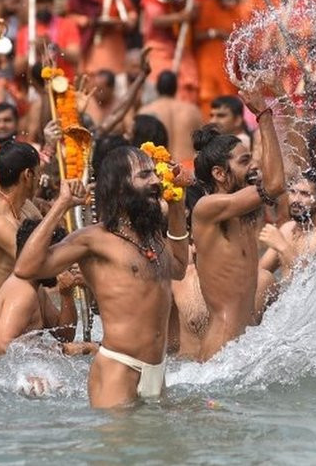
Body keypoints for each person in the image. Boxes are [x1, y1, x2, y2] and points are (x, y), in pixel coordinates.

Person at [14, 154, 189, 408]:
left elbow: (180, 268)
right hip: (117, 371)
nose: (155, 180)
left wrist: (177, 202)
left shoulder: (152, 236)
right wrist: (61, 205)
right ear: (120, 187)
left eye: (154, 173)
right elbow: (26, 268)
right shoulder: (93, 239)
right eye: (144, 175)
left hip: (157, 372)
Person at [191, 90, 286, 361]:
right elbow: (275, 184)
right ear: (219, 174)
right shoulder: (208, 208)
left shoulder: (242, 208)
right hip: (220, 353)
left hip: (241, 351)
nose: (253, 165)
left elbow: (280, 177)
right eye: (244, 161)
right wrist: (264, 117)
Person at [0, 219, 89, 359]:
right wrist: (61, 350)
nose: (62, 263)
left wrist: (66, 294)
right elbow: (6, 347)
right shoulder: (22, 292)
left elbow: (65, 336)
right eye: (58, 257)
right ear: (39, 258)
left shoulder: (36, 289)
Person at [258, 164, 316, 309]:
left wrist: (282, 247)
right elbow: (260, 273)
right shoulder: (287, 229)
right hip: (286, 307)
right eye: (293, 192)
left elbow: (315, 286)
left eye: (305, 194)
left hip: (311, 311)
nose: (296, 199)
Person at [0, 141, 42, 305]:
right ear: (28, 175)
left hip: (30, 311)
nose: (40, 179)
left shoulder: (27, 207)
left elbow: (52, 241)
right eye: (39, 173)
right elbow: (37, 263)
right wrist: (61, 205)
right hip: (3, 318)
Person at [138, 70, 203, 164]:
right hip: (188, 167)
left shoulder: (145, 111)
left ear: (157, 87)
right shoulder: (192, 111)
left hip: (159, 167)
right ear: (176, 88)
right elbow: (203, 142)